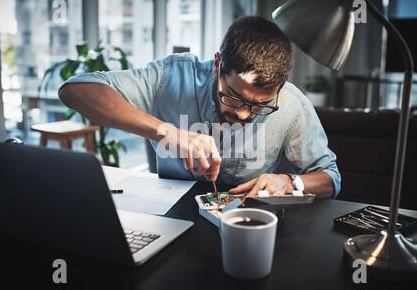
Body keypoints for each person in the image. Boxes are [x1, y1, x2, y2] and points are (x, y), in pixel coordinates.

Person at [59, 16, 341, 198]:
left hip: (249, 229)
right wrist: (166, 132)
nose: (243, 114)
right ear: (217, 64)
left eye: (260, 106)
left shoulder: (292, 104)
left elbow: (330, 178)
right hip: (169, 222)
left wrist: (290, 182)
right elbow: (75, 91)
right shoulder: (173, 77)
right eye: (234, 97)